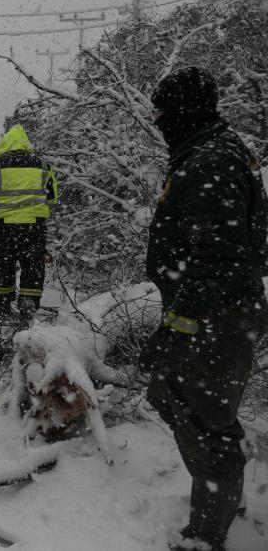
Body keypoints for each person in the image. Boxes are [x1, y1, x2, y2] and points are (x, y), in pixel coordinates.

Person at [140, 66, 268, 551]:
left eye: (162, 111)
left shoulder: (211, 159)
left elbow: (217, 257)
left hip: (219, 315)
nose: (157, 119)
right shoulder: (205, 152)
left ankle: (205, 535)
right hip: (213, 310)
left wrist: (175, 328)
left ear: (182, 111)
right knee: (170, 395)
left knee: (208, 422)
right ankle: (222, 487)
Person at [0, 124, 58, 321]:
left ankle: (4, 306)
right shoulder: (43, 165)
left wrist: (2, 208)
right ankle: (29, 301)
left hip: (5, 226)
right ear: (26, 144)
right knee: (33, 264)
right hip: (34, 226)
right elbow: (52, 198)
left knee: (5, 266)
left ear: (6, 143)